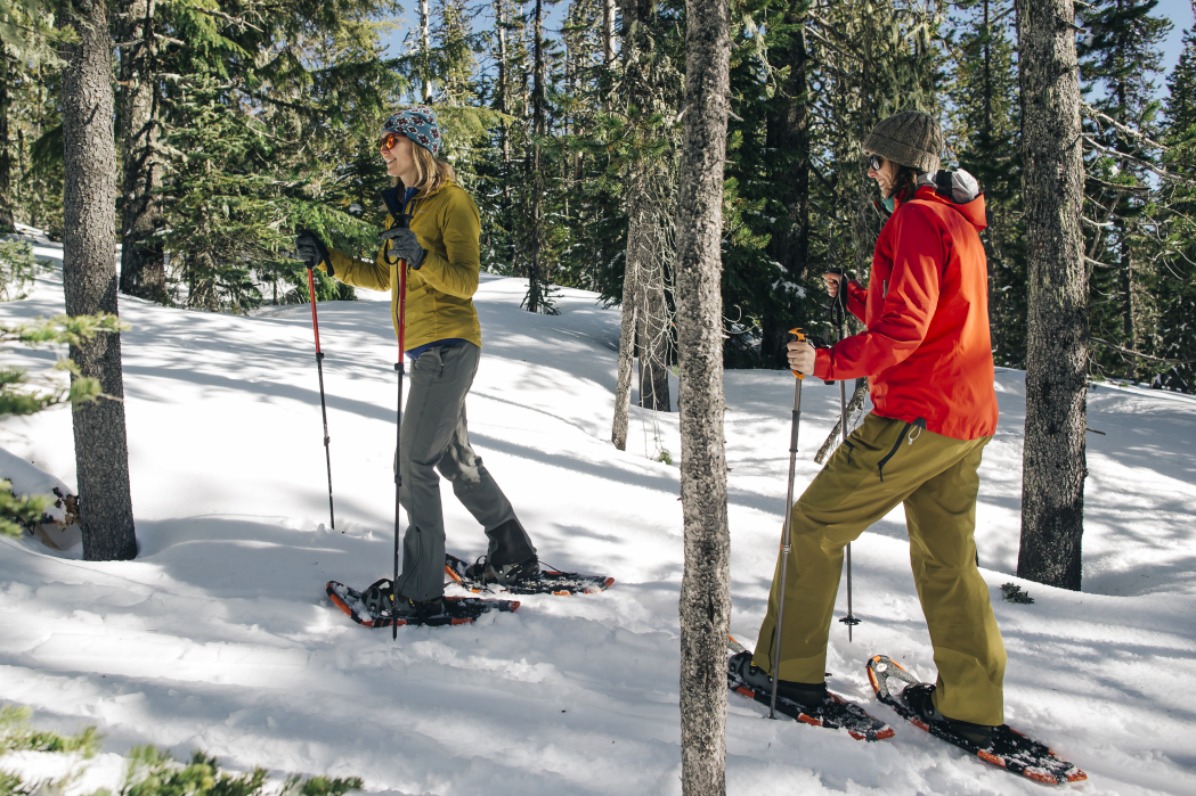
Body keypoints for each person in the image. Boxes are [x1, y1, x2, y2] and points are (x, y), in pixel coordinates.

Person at [729, 110, 1005, 744]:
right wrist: (854, 296)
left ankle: (786, 672)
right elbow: (930, 311)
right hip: (962, 421)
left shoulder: (915, 219)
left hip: (916, 414)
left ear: (902, 164)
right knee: (947, 561)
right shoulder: (956, 222)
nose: (872, 172)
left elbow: (905, 331)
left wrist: (826, 362)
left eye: (876, 161)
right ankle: (971, 704)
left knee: (814, 527)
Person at [296, 106, 539, 619]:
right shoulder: (401, 211)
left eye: (391, 142)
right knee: (453, 458)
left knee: (412, 465)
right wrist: (327, 259)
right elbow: (383, 277)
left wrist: (422, 258)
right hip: (430, 351)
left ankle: (420, 591)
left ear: (418, 147)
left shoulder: (453, 202)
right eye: (381, 143)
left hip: (448, 348)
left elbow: (466, 282)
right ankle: (512, 550)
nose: (383, 151)